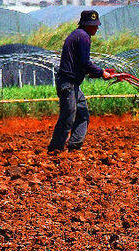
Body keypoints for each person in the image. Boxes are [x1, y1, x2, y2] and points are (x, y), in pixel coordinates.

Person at [47, 10, 112, 153]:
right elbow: (84, 63)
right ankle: (55, 149)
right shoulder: (83, 37)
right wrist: (101, 73)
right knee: (68, 115)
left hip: (73, 83)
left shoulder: (78, 35)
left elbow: (80, 64)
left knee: (82, 115)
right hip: (68, 83)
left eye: (96, 25)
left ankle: (75, 146)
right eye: (93, 25)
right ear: (86, 25)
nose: (96, 28)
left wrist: (96, 73)